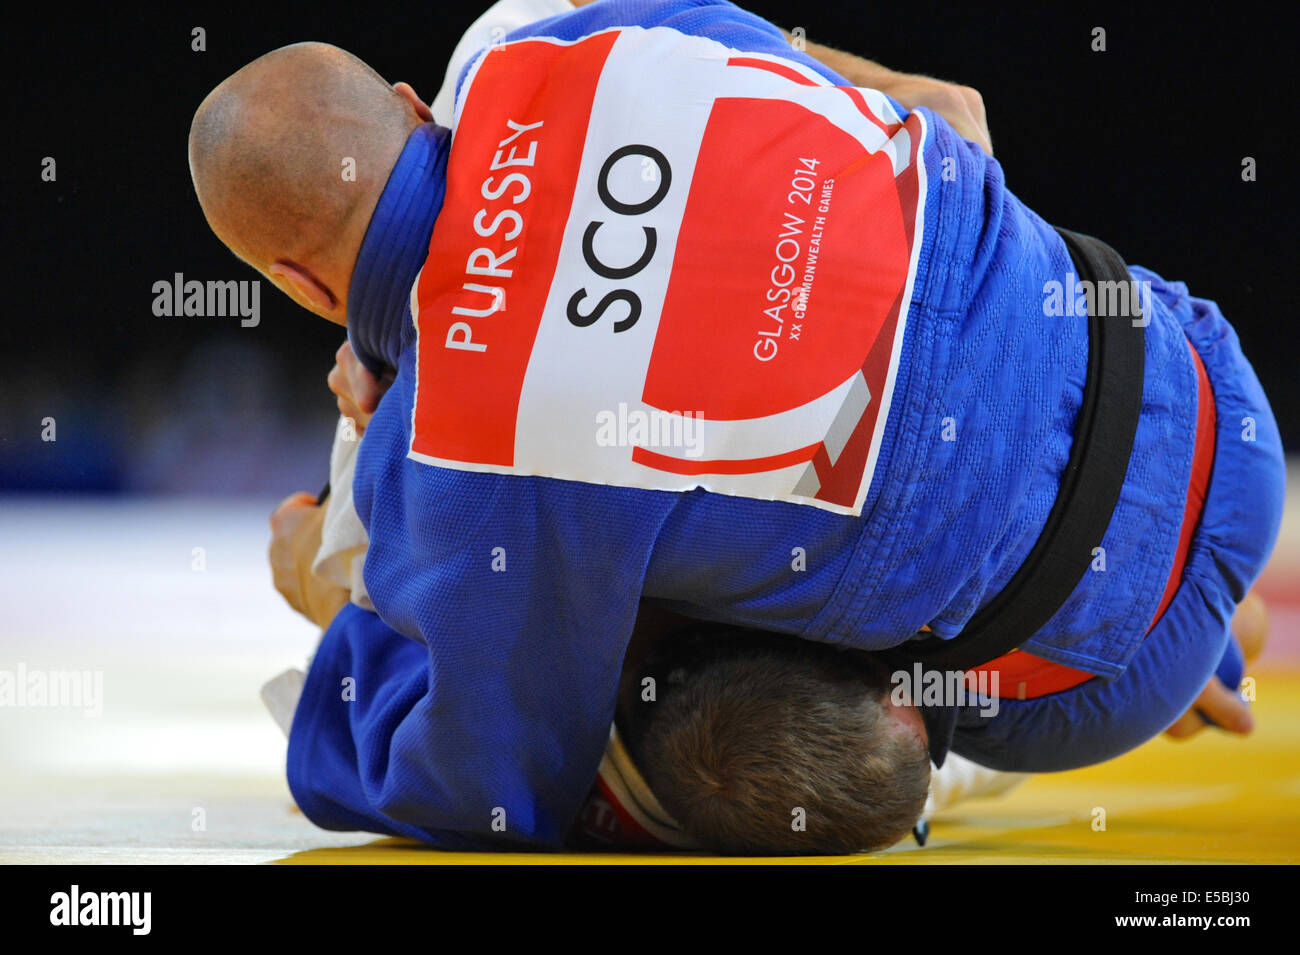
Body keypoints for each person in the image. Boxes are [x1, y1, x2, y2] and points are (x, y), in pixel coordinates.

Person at [192, 0, 1285, 852]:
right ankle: (1143, 592)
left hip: (1091, 676)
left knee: (702, 719)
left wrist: (336, 601)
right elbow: (947, 107)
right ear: (411, 102)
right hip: (1205, 379)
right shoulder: (572, 36)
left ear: (294, 282)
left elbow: (482, 783)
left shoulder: (456, 461)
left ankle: (1155, 632)